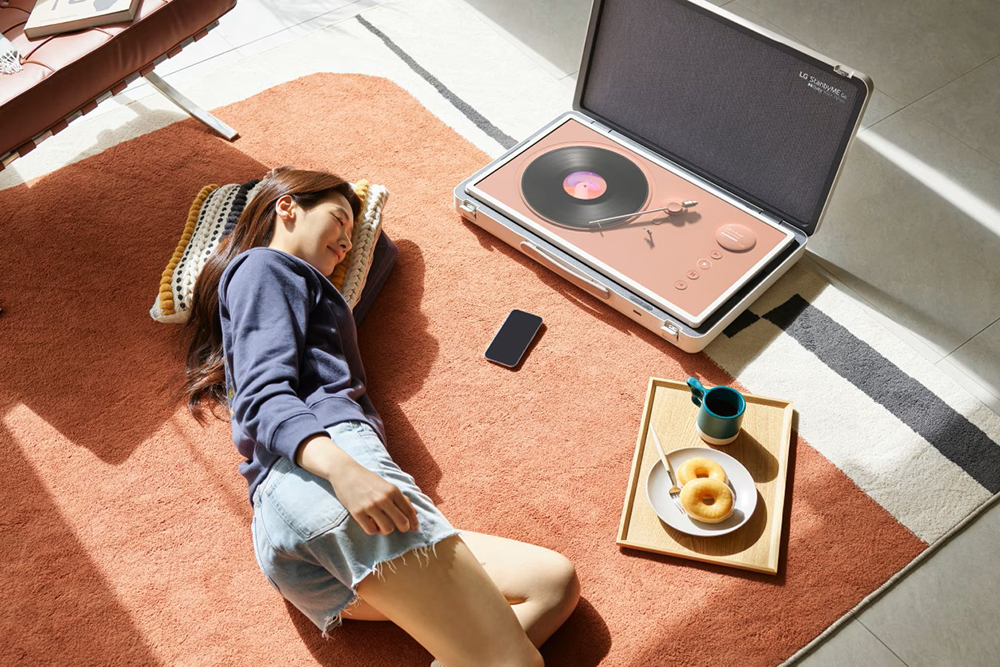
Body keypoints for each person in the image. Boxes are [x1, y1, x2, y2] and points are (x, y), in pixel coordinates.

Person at [180, 168, 580, 666]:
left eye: (353, 234)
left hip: (306, 522)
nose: (348, 242)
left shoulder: (304, 287)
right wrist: (343, 470)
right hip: (325, 474)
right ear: (286, 207)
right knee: (513, 663)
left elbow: (380, 254)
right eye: (339, 220)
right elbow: (261, 397)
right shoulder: (264, 266)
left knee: (551, 583)